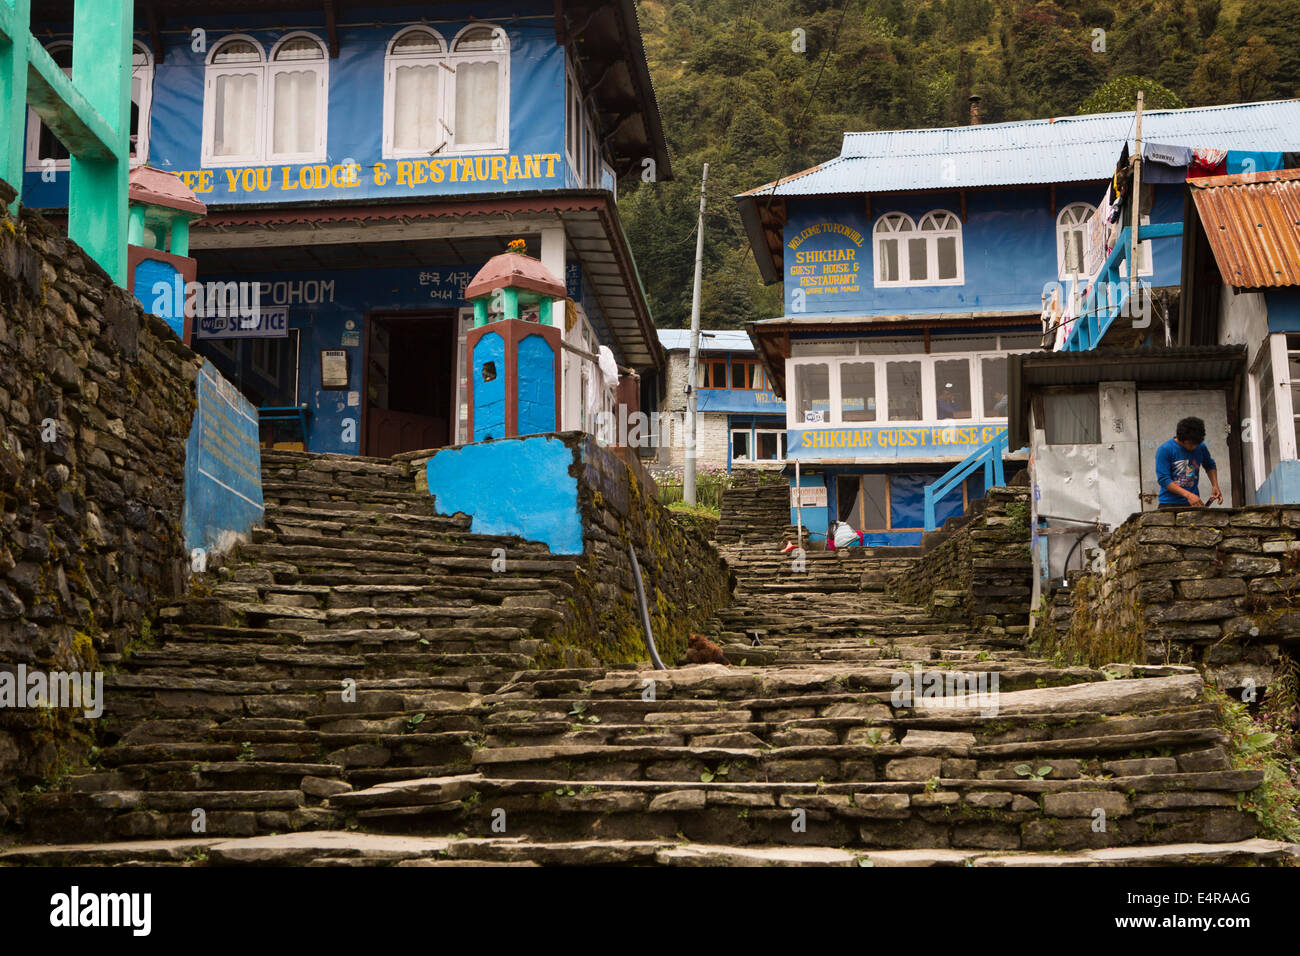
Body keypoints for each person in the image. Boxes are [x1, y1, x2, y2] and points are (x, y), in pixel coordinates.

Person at [1156, 417, 1222, 509]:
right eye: (1191, 444)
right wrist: (1188, 495)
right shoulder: (1165, 450)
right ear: (1182, 439)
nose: (1195, 447)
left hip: (1193, 503)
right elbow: (1164, 479)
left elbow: (1209, 465)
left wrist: (1215, 485)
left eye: (1197, 444)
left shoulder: (1201, 447)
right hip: (1169, 503)